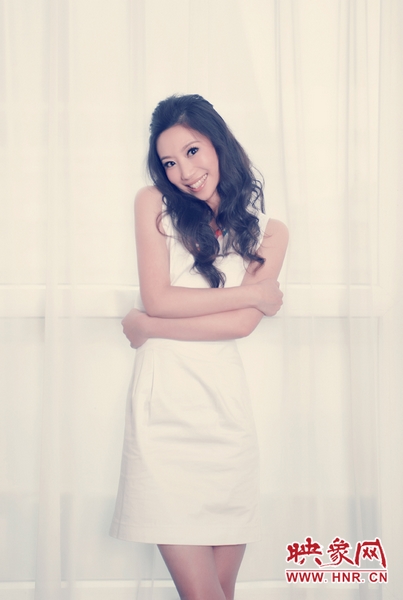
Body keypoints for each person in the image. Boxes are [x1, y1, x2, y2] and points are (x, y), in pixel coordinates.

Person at [110, 94, 288, 600]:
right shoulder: (153, 203)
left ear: (218, 143)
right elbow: (159, 297)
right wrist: (252, 293)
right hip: (163, 416)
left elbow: (240, 327)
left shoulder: (270, 231)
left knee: (221, 592)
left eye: (192, 151)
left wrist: (149, 327)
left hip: (225, 421)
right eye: (169, 162)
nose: (184, 172)